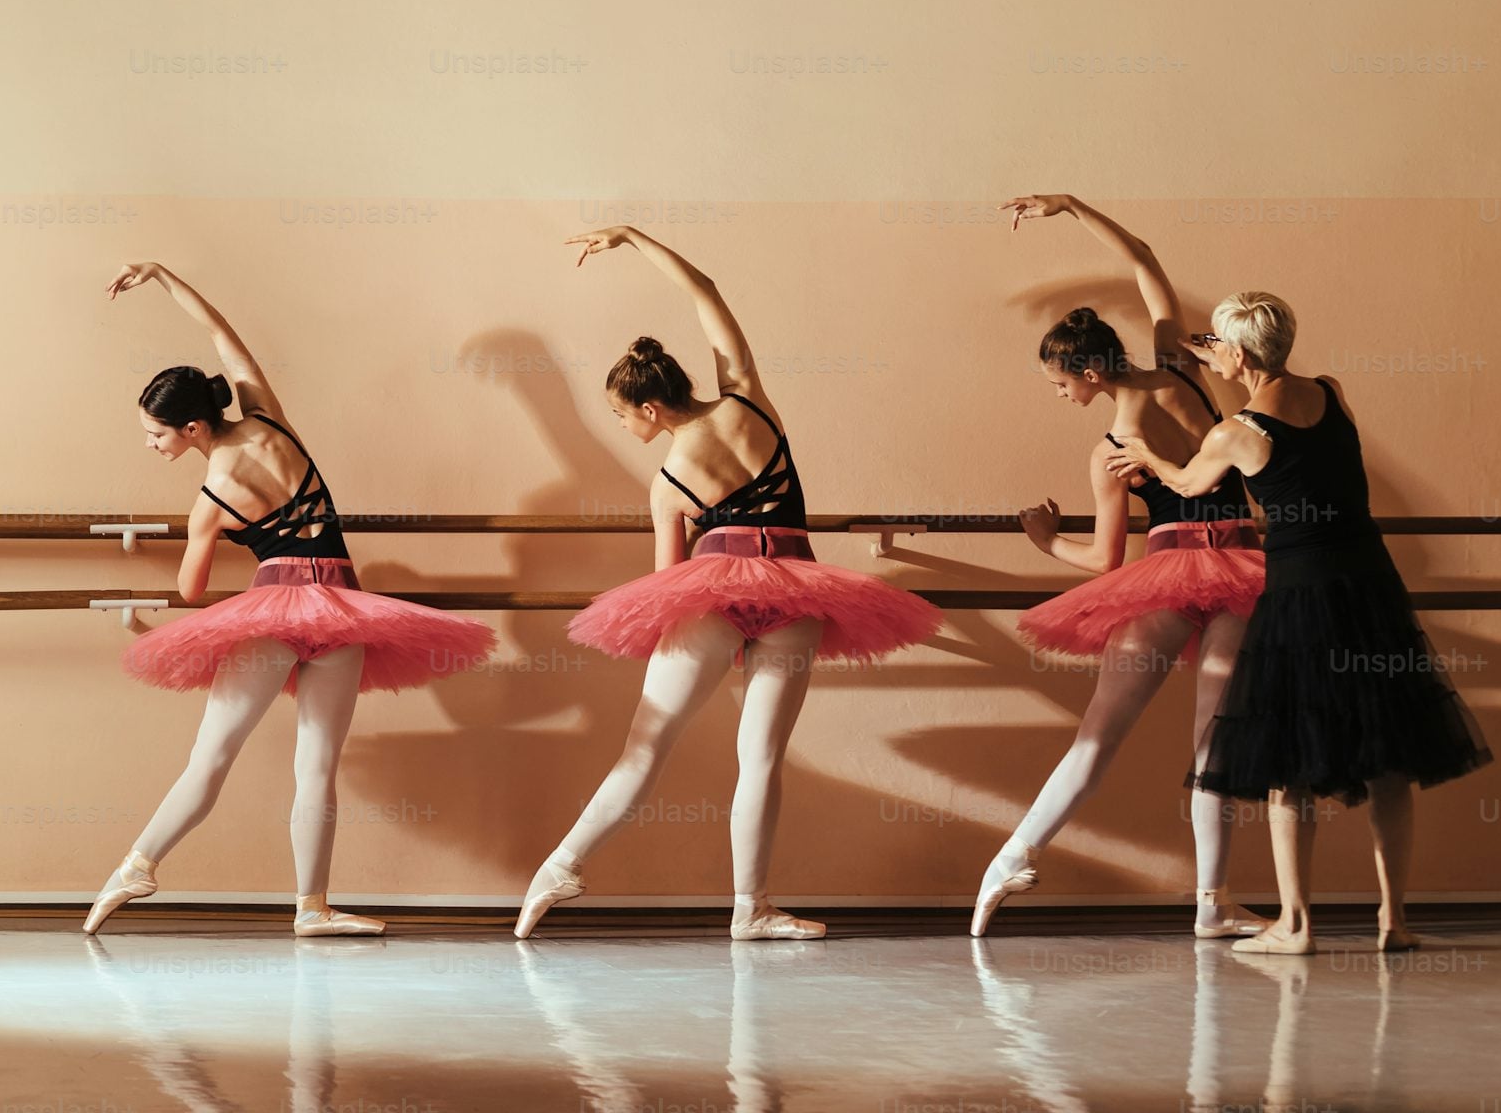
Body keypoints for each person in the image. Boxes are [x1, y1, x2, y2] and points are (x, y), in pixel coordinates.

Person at [516, 227, 939, 941]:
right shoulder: (750, 402)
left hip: (710, 597)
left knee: (644, 747)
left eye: (621, 416)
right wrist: (635, 237)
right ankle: (752, 908)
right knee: (762, 758)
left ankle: (560, 867)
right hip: (799, 587)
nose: (623, 427)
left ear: (650, 409)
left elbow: (665, 584)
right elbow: (705, 290)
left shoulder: (667, 484)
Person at [84, 261, 495, 938]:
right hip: (343, 602)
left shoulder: (210, 500)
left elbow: (191, 591)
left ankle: (138, 863)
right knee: (318, 768)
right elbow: (222, 333)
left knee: (211, 759)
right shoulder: (270, 419)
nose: (150, 445)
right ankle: (313, 907)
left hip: (275, 610)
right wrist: (163, 276)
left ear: (191, 429)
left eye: (155, 435)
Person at [1104, 291, 1491, 953]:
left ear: (1243, 352)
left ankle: (1296, 925)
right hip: (1370, 583)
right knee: (1390, 758)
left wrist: (1148, 457)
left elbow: (1194, 483)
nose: (1212, 353)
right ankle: (1392, 921)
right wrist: (1218, 352)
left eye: (1219, 344)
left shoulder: (1235, 433)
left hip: (1302, 594)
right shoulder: (1330, 392)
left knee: (1292, 762)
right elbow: (1301, 455)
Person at [976, 195, 1269, 937]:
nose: (1062, 397)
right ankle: (1212, 903)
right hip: (1241, 562)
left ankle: (1013, 856)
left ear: (1087, 371)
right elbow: (1144, 262)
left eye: (1060, 384)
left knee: (1100, 736)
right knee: (1215, 739)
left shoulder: (1110, 448)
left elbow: (1104, 560)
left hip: (1170, 573)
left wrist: (1044, 543)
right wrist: (1074, 207)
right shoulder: (1177, 367)